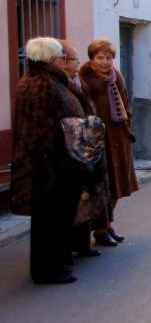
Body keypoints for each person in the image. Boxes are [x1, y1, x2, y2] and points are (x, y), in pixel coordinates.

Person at [11, 38, 103, 283]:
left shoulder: (46, 81)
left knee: (56, 217)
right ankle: (48, 270)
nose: (64, 59)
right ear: (51, 59)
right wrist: (62, 158)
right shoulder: (41, 84)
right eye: (61, 56)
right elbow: (44, 128)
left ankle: (56, 263)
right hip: (51, 165)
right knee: (50, 219)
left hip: (57, 162)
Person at [80, 38, 138, 246]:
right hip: (98, 138)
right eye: (100, 58)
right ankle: (100, 229)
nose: (105, 62)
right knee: (101, 186)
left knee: (117, 185)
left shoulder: (116, 75)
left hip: (118, 136)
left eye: (109, 58)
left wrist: (127, 118)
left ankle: (107, 224)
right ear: (92, 58)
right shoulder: (84, 77)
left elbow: (124, 99)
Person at [58, 39, 103, 259]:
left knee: (85, 197)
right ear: (63, 61)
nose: (78, 62)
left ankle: (83, 243)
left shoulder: (77, 82)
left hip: (86, 147)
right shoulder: (61, 84)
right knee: (73, 202)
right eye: (74, 58)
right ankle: (69, 248)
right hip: (71, 151)